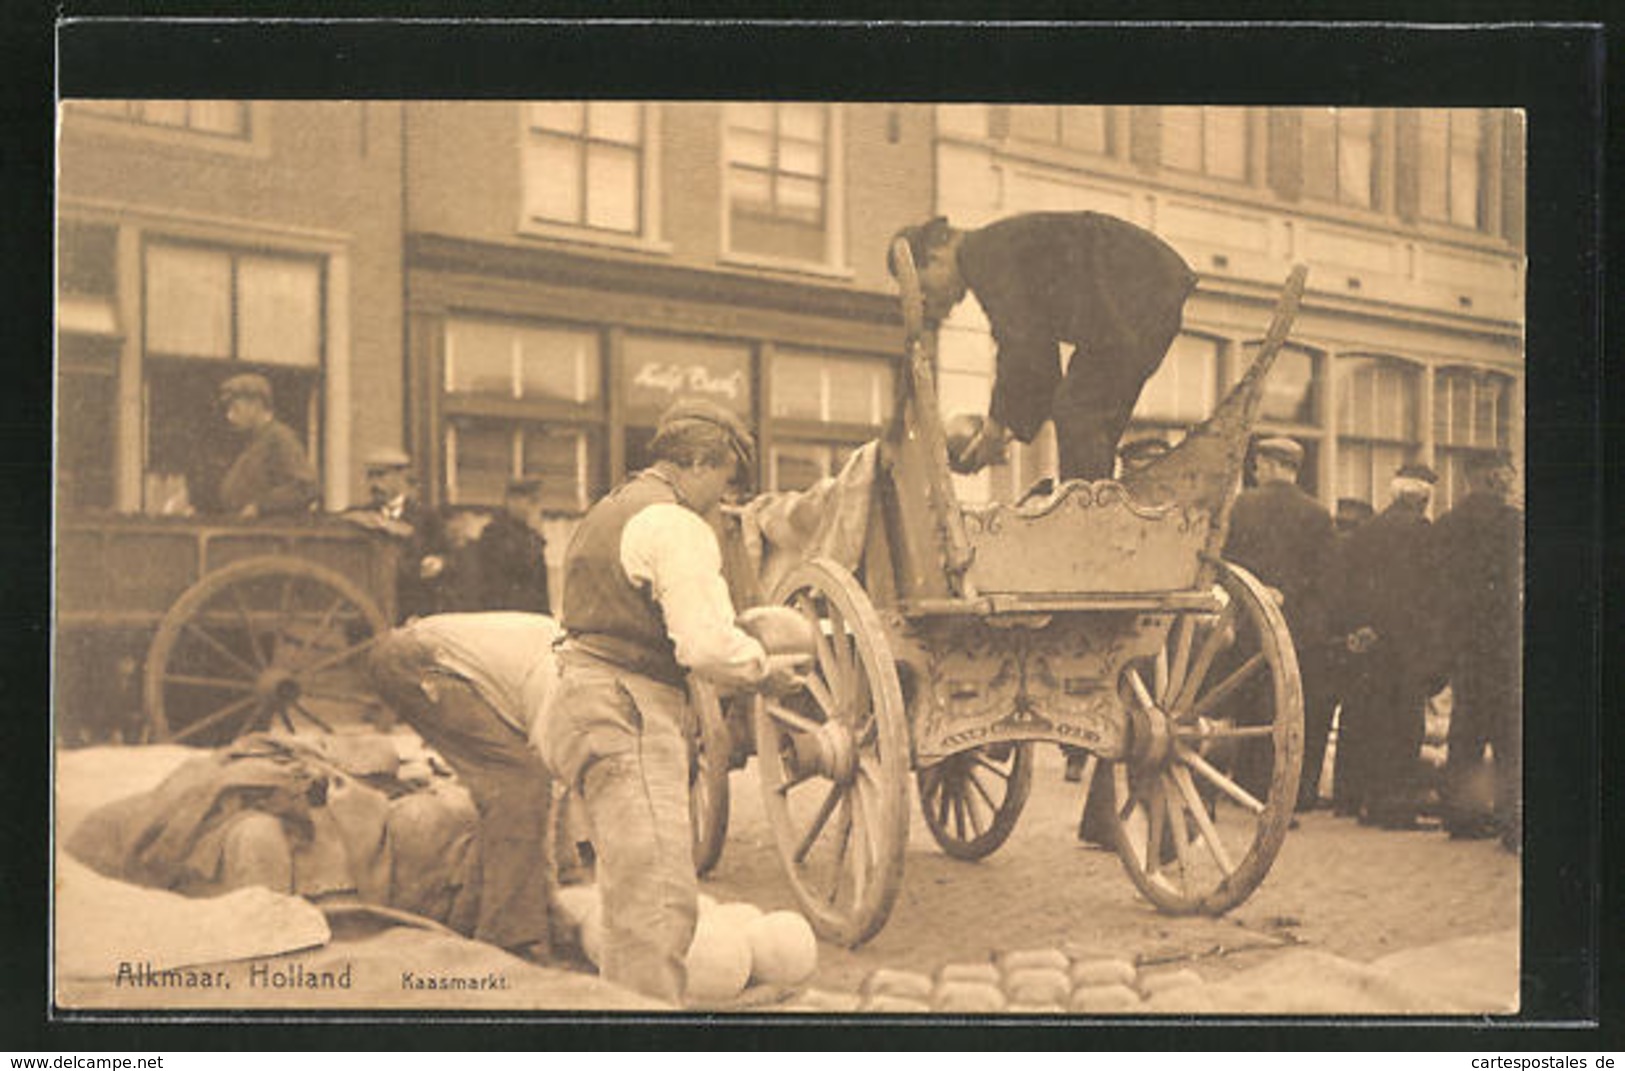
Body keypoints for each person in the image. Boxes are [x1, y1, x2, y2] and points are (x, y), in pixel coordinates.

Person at [534, 398, 800, 1005]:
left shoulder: (614, 504)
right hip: (626, 707)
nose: (724, 501)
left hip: (583, 696)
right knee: (657, 900)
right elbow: (704, 645)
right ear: (703, 463)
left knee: (628, 893)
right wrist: (762, 669)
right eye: (726, 483)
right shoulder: (676, 524)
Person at [890, 212, 1197, 481]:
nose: (937, 302)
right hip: (1145, 293)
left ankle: (1086, 520)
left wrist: (996, 428)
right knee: (1083, 412)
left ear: (936, 254)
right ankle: (1097, 500)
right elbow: (1041, 361)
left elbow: (1020, 342)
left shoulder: (981, 254)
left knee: (1077, 411)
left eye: (927, 288)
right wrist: (1005, 429)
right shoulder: (997, 248)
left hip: (1141, 292)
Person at [367, 612, 562, 964]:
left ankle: (486, 916)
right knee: (519, 785)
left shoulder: (568, 653)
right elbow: (546, 768)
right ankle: (509, 938)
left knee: (511, 788)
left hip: (422, 657)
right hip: (416, 663)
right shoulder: (561, 674)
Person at [1221, 436, 1336, 809]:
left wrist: (1258, 590)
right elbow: (1325, 576)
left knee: (1249, 703)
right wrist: (1285, 592)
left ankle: (1245, 784)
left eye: (1258, 464)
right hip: (1297, 626)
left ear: (1268, 465)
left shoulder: (1241, 506)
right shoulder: (1318, 514)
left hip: (1249, 620)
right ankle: (1281, 790)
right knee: (1285, 708)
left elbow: (1226, 562)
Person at [1328, 462, 1442, 829]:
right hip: (1406, 645)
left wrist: (1360, 628)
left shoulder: (1368, 529)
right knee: (1405, 726)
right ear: (1423, 498)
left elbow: (1346, 585)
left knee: (1372, 721)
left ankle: (1368, 801)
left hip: (1371, 643)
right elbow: (1427, 595)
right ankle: (1396, 808)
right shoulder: (1423, 533)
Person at [1430, 451, 1523, 852]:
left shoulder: (1446, 525)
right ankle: (1511, 819)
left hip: (1464, 641)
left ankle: (1461, 815)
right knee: (1507, 731)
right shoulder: (1514, 523)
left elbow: (1433, 587)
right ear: (1491, 477)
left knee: (1465, 729)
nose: (1511, 482)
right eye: (1507, 475)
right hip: (1504, 641)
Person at [342, 449, 454, 622]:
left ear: (401, 477)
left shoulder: (426, 517)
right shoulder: (358, 515)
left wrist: (438, 562)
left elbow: (449, 556)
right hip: (371, 610)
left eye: (381, 475)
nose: (374, 483)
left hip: (413, 607)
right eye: (370, 476)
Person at [215, 374, 319, 518]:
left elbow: (305, 487)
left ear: (256, 405)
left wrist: (261, 507)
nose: (230, 416)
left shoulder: (280, 438)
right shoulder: (254, 441)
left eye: (236, 408)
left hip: (270, 536)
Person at [474, 477, 552, 614]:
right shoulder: (496, 532)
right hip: (506, 612)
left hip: (528, 613)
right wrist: (536, 536)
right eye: (530, 502)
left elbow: (540, 582)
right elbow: (521, 567)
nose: (533, 509)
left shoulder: (527, 532)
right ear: (511, 501)